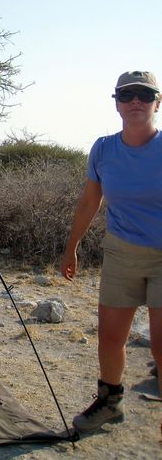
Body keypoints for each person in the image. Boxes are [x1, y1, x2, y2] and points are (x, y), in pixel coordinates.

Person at [60, 70, 162, 433]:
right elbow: (90, 201)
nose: (136, 101)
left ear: (157, 103)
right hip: (120, 252)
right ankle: (109, 402)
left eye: (144, 95)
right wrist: (71, 247)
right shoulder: (103, 148)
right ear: (117, 103)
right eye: (127, 95)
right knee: (110, 335)